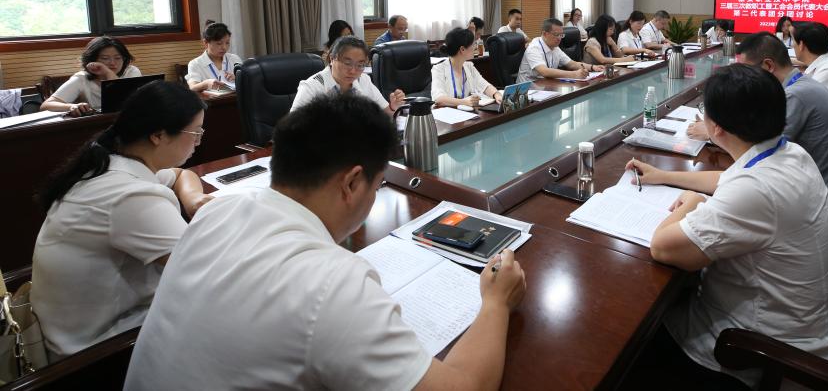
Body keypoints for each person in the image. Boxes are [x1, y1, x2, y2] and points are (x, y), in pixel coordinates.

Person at [124, 93, 527, 391]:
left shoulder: (217, 212)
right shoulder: (332, 284)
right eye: (377, 185)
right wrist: (496, 303)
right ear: (352, 183)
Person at [626, 64, 828, 388]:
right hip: (809, 326)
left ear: (715, 128)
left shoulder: (755, 190)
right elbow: (727, 178)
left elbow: (662, 247)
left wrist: (691, 204)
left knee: (630, 336)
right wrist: (663, 176)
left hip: (758, 354)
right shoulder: (789, 152)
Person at [31, 81, 210, 359]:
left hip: (72, 328)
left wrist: (193, 199)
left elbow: (179, 175)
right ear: (158, 135)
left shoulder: (112, 161)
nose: (198, 141)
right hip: (94, 351)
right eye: (195, 133)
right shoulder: (130, 196)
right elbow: (205, 268)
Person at [688, 32, 828, 205]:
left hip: (814, 195)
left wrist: (713, 131)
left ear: (768, 66)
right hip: (804, 183)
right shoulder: (800, 85)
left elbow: (757, 149)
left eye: (746, 71)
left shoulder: (794, 96)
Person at [293, 36, 405, 114]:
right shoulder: (312, 86)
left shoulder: (363, 80)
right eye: (347, 63)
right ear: (332, 59)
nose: (353, 71)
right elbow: (293, 129)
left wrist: (393, 106)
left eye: (360, 65)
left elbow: (385, 114)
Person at [41, 36, 142, 117]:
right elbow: (46, 105)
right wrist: (71, 107)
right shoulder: (81, 79)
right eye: (105, 58)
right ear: (92, 59)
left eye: (118, 58)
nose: (112, 63)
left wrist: (108, 72)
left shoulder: (131, 71)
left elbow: (123, 101)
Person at [432, 28, 502, 108]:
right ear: (462, 49)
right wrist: (464, 102)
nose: (475, 47)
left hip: (467, 112)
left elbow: (484, 85)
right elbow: (439, 99)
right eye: (473, 44)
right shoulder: (439, 69)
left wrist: (496, 94)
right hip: (448, 113)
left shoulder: (469, 66)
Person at [517, 18, 596, 82]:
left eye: (561, 35)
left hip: (546, 86)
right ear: (544, 34)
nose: (559, 38)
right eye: (556, 34)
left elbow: (572, 64)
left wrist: (593, 67)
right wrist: (575, 74)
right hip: (527, 90)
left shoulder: (555, 47)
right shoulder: (534, 48)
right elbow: (544, 71)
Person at [185, 22, 242, 93]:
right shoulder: (195, 64)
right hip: (213, 100)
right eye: (219, 43)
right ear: (206, 43)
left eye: (227, 43)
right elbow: (192, 87)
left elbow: (249, 80)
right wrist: (206, 84)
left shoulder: (234, 59)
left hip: (236, 98)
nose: (224, 47)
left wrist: (238, 78)